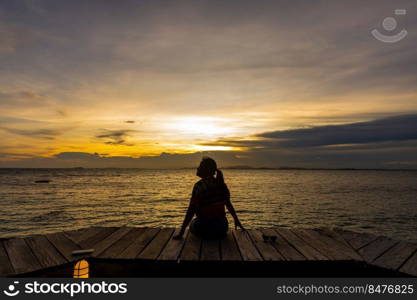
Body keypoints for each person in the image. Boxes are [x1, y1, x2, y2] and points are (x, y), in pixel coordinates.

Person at [173, 157, 244, 240]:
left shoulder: (199, 186)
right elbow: (228, 204)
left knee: (192, 223)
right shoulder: (221, 185)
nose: (197, 168)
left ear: (205, 170)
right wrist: (236, 219)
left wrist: (181, 233)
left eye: (200, 167)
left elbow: (191, 210)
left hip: (204, 228)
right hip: (222, 228)